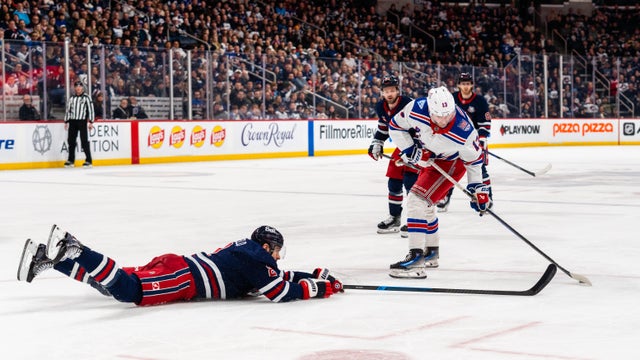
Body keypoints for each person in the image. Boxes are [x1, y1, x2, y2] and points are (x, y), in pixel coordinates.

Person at [17, 225, 343, 305]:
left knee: (109, 282)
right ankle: (76, 248)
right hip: (183, 278)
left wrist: (311, 273)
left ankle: (48, 260)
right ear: (268, 246)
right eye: (277, 252)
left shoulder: (251, 255)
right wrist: (319, 288)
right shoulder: (258, 258)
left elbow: (278, 277)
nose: (276, 258)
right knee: (127, 291)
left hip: (178, 266)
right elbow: (279, 292)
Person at [387, 86, 491, 278]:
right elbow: (395, 126)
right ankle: (432, 252)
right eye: (438, 116)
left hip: (452, 162)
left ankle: (416, 260)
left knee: (417, 200)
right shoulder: (416, 108)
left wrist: (478, 188)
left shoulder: (464, 130)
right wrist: (410, 148)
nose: (444, 120)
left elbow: (475, 160)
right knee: (425, 204)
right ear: (429, 109)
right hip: (433, 159)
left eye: (448, 115)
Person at [367, 75, 417, 237]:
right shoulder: (381, 107)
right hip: (402, 146)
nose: (389, 93)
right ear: (382, 92)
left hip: (417, 144)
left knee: (411, 182)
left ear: (398, 91)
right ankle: (395, 218)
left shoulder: (408, 104)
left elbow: (420, 128)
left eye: (392, 90)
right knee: (394, 182)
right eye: (386, 91)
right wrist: (377, 143)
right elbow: (383, 128)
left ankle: (416, 220)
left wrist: (415, 151)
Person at [437, 73, 492, 212]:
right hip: (453, 140)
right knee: (449, 169)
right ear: (458, 85)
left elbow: (485, 123)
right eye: (463, 83)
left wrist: (482, 138)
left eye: (468, 83)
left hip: (474, 141)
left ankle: (486, 197)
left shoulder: (480, 101)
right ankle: (444, 197)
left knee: (479, 169)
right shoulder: (452, 99)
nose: (465, 86)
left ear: (472, 85)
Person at [64, 81, 95, 168]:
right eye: (76, 87)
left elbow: (91, 110)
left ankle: (88, 160)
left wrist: (91, 122)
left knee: (84, 140)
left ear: (82, 88)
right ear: (74, 88)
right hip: (72, 121)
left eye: (80, 86)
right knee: (71, 141)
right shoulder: (71, 98)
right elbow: (68, 110)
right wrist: (66, 121)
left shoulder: (87, 98)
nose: (78, 88)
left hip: (82, 121)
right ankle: (71, 160)